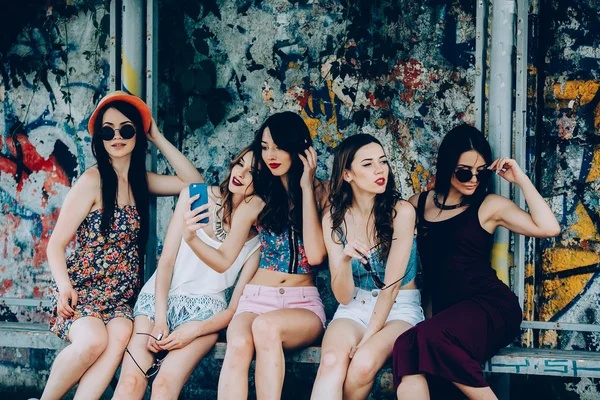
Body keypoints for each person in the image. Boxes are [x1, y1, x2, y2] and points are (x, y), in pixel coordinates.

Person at [42, 91, 203, 400]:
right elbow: (56, 245)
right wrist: (64, 286)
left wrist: (156, 136)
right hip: (83, 290)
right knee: (92, 342)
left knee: (116, 339)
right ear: (99, 138)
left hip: (120, 297)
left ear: (137, 134)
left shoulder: (141, 180)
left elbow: (194, 184)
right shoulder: (93, 180)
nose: (117, 136)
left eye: (126, 129)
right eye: (108, 131)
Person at [393, 124, 561, 400]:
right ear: (447, 167)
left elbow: (549, 228)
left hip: (491, 307)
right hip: (447, 317)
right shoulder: (417, 205)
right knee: (405, 345)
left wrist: (520, 179)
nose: (473, 179)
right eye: (464, 172)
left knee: (431, 338)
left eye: (480, 172)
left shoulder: (489, 206)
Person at [182, 111, 328, 399]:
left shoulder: (322, 192)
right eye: (264, 147)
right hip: (255, 299)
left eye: (278, 146)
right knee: (238, 346)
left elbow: (315, 255)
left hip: (303, 304)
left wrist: (306, 188)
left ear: (299, 148)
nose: (270, 154)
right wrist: (190, 239)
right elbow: (224, 258)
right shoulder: (256, 199)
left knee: (266, 327)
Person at [112, 146, 261, 399]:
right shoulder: (195, 197)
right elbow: (166, 261)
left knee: (163, 385)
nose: (241, 174)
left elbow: (233, 309)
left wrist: (195, 330)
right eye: (240, 164)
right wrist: (161, 319)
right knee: (129, 382)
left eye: (253, 172)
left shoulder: (257, 238)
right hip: (158, 301)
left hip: (204, 315)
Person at [311, 134, 424, 400]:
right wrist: (345, 261)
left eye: (383, 162)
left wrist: (368, 338)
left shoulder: (402, 212)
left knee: (362, 365)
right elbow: (342, 296)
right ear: (347, 174)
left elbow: (392, 288)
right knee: (329, 361)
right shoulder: (333, 221)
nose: (379, 170)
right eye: (368, 164)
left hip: (400, 309)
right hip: (355, 306)